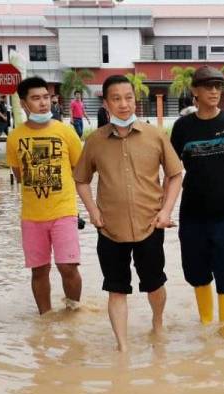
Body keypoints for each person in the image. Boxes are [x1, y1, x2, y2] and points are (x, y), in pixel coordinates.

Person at [74, 75, 183, 352]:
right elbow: (81, 179)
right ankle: (122, 347)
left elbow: (175, 174)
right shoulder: (95, 141)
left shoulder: (155, 135)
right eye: (116, 98)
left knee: (155, 283)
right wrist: (93, 211)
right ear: (107, 103)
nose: (124, 104)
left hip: (150, 225)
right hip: (109, 228)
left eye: (128, 97)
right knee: (116, 288)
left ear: (135, 99)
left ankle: (157, 324)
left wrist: (166, 210)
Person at [170, 66, 224, 338]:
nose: (214, 91)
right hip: (192, 213)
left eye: (218, 87)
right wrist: (161, 208)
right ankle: (206, 325)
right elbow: (171, 170)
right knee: (196, 271)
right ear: (195, 91)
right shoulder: (183, 127)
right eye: (208, 86)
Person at [6, 76, 83, 315]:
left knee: (67, 266)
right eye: (36, 98)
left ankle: (73, 311)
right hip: (32, 216)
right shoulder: (15, 137)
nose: (43, 103)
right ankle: (45, 318)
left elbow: (79, 171)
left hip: (64, 211)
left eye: (46, 97)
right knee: (39, 270)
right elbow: (20, 176)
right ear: (24, 103)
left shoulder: (66, 132)